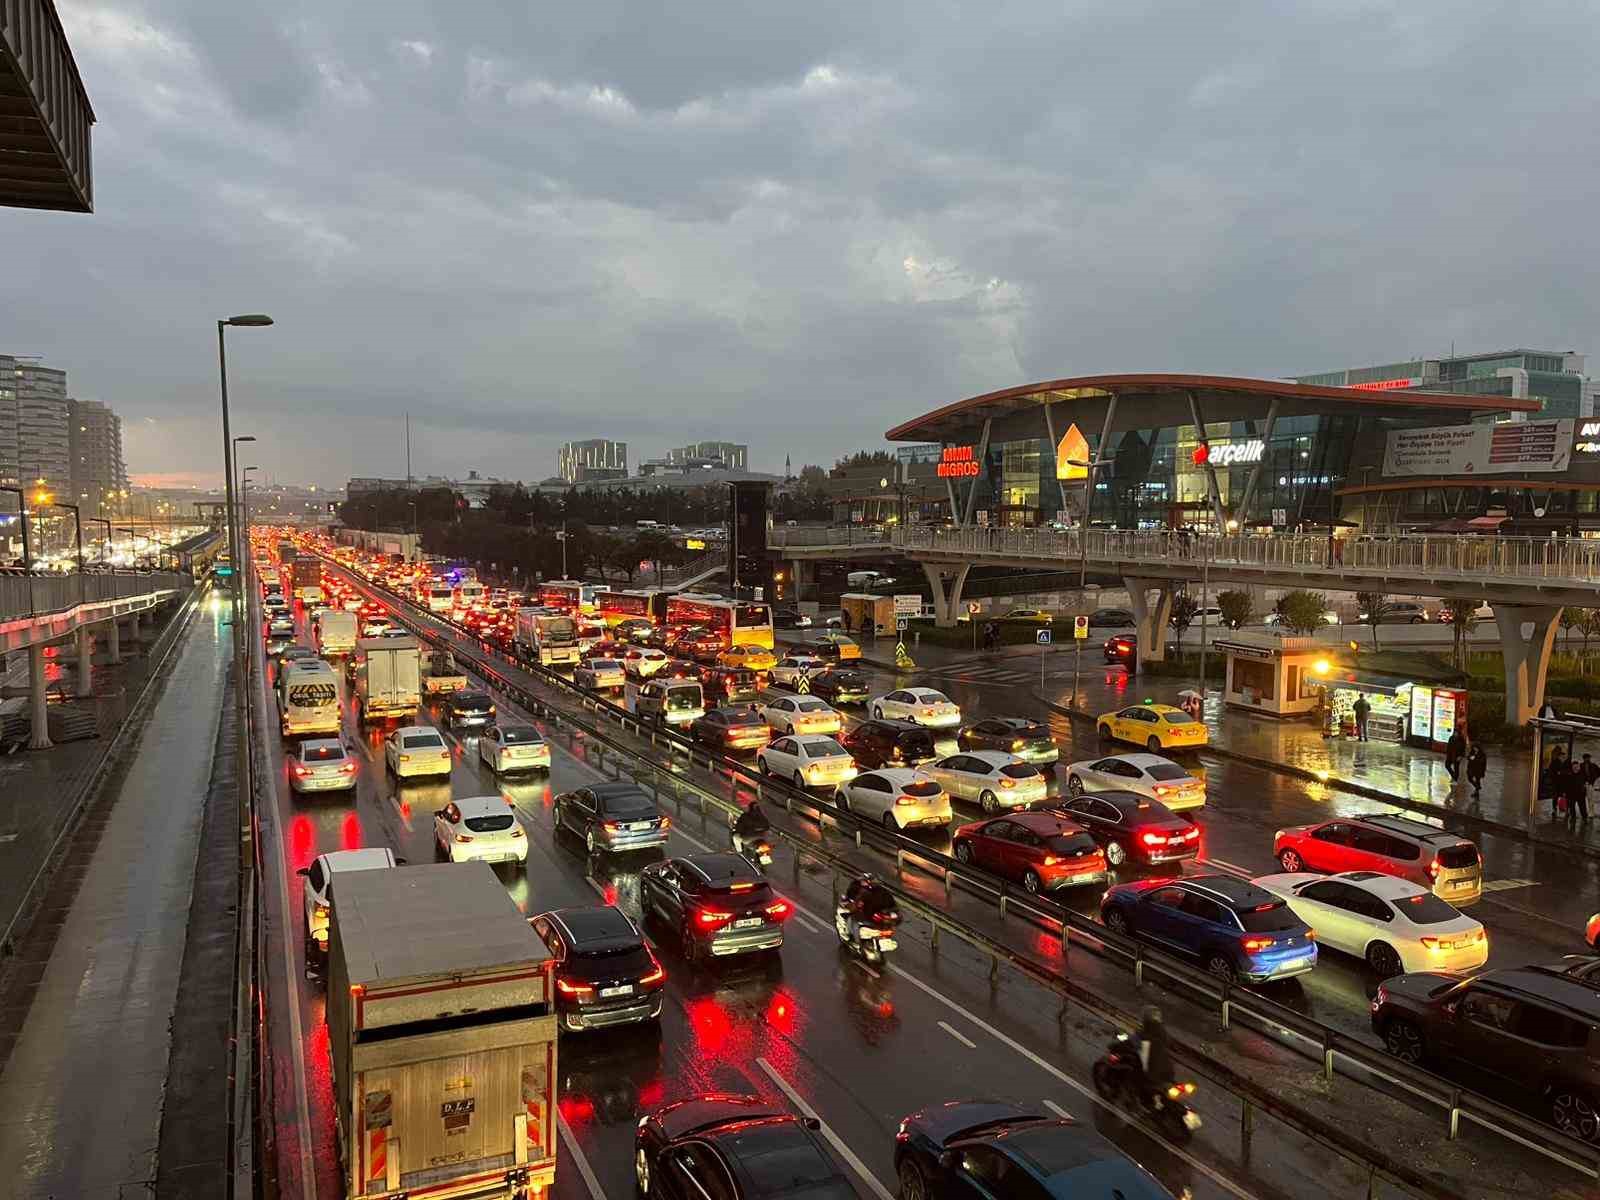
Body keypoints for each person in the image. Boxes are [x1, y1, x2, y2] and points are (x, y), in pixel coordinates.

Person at [839, 873, 897, 943]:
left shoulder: (866, 892)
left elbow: (858, 903)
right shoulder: (886, 893)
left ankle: (855, 940)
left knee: (853, 920)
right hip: (878, 919)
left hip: (870, 917)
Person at [1136, 1005, 1174, 1102]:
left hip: (1153, 1075)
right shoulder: (1163, 1032)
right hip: (1168, 1072)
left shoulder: (1144, 1035)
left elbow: (1133, 1044)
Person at [1569, 758, 1592, 827]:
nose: (1575, 768)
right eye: (1574, 767)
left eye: (1577, 767)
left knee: (1582, 807)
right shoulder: (1570, 774)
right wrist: (1565, 793)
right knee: (1572, 807)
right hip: (1572, 794)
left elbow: (1587, 780)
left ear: (1579, 767)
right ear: (1572, 767)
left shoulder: (1582, 773)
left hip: (1580, 794)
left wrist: (1586, 784)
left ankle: (1584, 818)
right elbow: (1566, 784)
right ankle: (1573, 818)